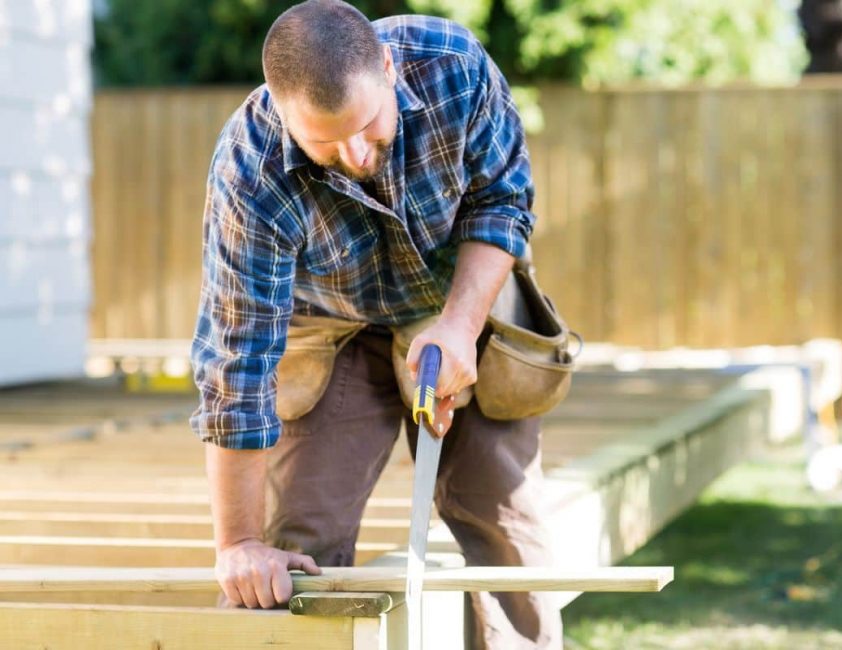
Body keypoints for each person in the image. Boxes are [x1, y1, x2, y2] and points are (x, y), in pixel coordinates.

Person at [189, 1, 563, 647]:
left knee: (503, 520)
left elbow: (501, 202)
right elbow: (238, 366)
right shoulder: (248, 172)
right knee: (301, 541)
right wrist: (239, 543)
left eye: (366, 125)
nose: (355, 155)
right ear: (283, 115)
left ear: (387, 68)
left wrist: (457, 325)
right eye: (323, 143)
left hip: (455, 301)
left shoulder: (452, 68)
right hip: (330, 324)